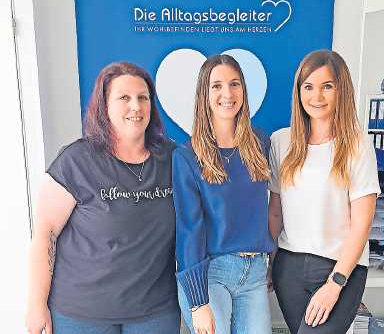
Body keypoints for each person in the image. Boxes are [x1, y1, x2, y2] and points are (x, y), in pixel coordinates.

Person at [25, 62, 180, 334]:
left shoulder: (172, 159)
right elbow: (45, 233)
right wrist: (36, 303)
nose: (136, 106)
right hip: (82, 315)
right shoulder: (76, 161)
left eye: (143, 98)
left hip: (155, 312)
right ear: (104, 105)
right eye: (124, 98)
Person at [268, 50, 380, 334]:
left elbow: (362, 224)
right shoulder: (281, 142)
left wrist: (335, 283)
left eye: (326, 86)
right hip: (289, 268)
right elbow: (276, 211)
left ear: (341, 90)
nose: (316, 96)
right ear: (299, 91)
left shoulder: (357, 145)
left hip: (341, 268)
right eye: (308, 87)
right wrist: (269, 263)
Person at [173, 54, 275, 334]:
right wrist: (197, 302)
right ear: (204, 94)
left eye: (234, 84)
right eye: (216, 86)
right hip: (210, 275)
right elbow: (188, 230)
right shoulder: (187, 157)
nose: (227, 94)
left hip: (254, 273)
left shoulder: (260, 145)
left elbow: (271, 209)